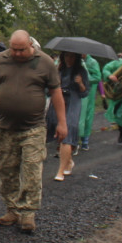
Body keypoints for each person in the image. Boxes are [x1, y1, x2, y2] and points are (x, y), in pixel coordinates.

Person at [0, 30, 66, 232]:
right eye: (14, 49)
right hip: (6, 127)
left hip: (33, 128)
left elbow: (56, 93)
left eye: (21, 50)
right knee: (7, 170)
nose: (17, 53)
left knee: (31, 170)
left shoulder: (44, 62)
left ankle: (28, 213)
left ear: (30, 45)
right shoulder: (0, 60)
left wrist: (62, 122)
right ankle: (12, 209)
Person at [47, 51, 88, 181]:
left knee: (68, 131)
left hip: (73, 101)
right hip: (58, 101)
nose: (69, 58)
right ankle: (68, 161)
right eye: (66, 56)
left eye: (72, 56)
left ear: (76, 58)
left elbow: (85, 92)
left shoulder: (81, 71)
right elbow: (48, 90)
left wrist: (80, 84)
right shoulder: (58, 69)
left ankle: (60, 171)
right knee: (57, 131)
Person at [78, 53, 101, 150]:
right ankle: (75, 140)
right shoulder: (75, 60)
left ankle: (85, 140)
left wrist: (85, 77)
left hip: (89, 93)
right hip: (77, 91)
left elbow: (97, 77)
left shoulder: (92, 62)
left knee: (87, 115)